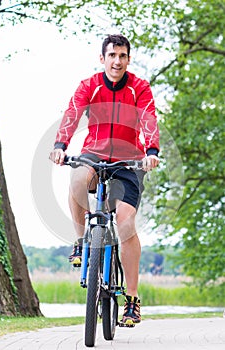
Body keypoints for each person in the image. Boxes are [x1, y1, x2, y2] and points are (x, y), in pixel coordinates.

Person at [49, 34, 160, 326]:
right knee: (76, 181)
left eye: (122, 56)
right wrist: (61, 145)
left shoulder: (139, 87)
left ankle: (132, 300)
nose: (117, 61)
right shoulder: (90, 85)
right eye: (112, 55)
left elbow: (149, 118)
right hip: (94, 154)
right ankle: (82, 240)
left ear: (128, 59)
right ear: (103, 58)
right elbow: (72, 114)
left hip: (129, 159)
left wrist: (151, 151)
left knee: (125, 223)